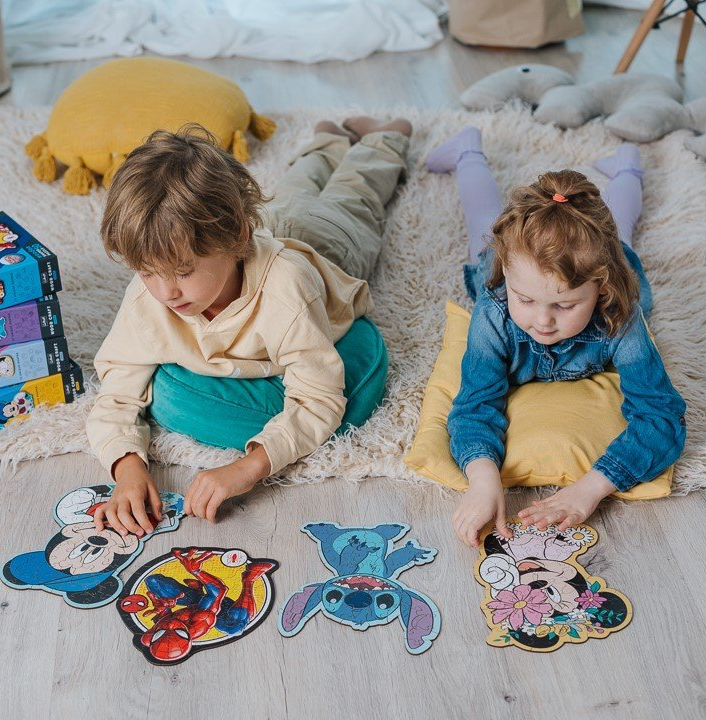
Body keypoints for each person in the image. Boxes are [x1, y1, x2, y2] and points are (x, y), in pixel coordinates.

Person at [86, 117, 412, 536]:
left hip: (330, 240)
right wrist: (127, 467)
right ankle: (328, 140)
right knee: (296, 184)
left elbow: (319, 399)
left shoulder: (287, 293)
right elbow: (116, 391)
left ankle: (387, 137)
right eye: (148, 272)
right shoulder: (148, 297)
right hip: (275, 220)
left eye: (183, 271)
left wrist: (248, 467)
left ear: (237, 237)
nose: (166, 292)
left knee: (355, 193)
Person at [426, 126, 686, 546]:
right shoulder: (495, 307)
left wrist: (591, 488)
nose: (542, 321)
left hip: (605, 257)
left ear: (602, 289)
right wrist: (483, 478)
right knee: (483, 225)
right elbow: (475, 405)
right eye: (526, 300)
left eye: (565, 306)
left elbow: (662, 417)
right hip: (507, 259)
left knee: (619, 235)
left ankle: (628, 168)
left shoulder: (620, 312)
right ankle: (466, 151)